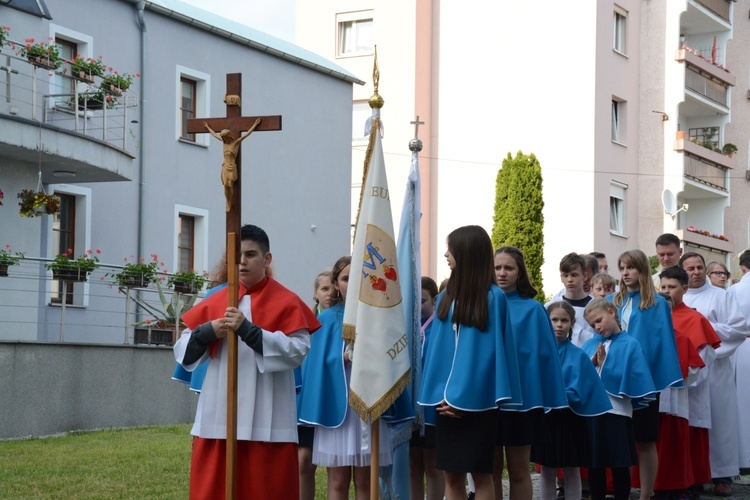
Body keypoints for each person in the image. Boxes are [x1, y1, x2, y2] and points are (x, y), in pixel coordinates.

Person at [173, 224, 321, 499]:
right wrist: (207, 332)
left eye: (251, 254)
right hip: (219, 416)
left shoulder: (287, 301)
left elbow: (297, 351)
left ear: (267, 259)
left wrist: (249, 331)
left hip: (269, 417)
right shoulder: (216, 298)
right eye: (237, 255)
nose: (242, 261)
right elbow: (183, 351)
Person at [418, 225, 521, 500]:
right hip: (445, 404)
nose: (446, 254)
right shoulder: (446, 296)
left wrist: (462, 397)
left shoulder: (492, 297)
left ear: (466, 252)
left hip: (478, 403)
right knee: (451, 475)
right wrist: (442, 395)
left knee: (480, 475)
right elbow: (439, 355)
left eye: (450, 248)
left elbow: (487, 356)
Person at [297, 256, 392, 500]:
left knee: (365, 481)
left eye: (357, 277)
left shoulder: (377, 315)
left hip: (366, 405)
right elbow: (317, 364)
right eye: (345, 278)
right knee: (338, 481)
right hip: (337, 410)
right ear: (337, 284)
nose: (351, 283)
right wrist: (345, 358)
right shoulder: (327, 319)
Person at [492, 246, 568, 500]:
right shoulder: (483, 303)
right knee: (488, 471)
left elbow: (546, 357)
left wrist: (550, 397)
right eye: (497, 268)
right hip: (488, 400)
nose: (502, 273)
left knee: (518, 470)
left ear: (520, 272)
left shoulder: (534, 309)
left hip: (522, 402)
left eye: (509, 268)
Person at [611, 249, 683, 500]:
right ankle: (621, 490)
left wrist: (652, 377)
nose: (625, 273)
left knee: (645, 439)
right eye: (622, 268)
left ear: (642, 270)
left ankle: (646, 493)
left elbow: (661, 342)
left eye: (630, 268)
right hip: (615, 379)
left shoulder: (658, 304)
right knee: (619, 439)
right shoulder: (614, 300)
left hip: (644, 381)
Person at [680, 251, 746, 497]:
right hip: (689, 372)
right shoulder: (678, 297)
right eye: (690, 268)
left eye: (699, 267)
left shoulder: (721, 296)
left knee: (720, 422)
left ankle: (722, 475)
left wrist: (704, 328)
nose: (695, 272)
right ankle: (694, 475)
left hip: (716, 369)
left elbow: (739, 329)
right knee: (693, 423)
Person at [533, 301, 611, 500]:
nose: (559, 324)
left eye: (564, 320)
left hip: (571, 418)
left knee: (571, 468)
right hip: (546, 418)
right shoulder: (537, 354)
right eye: (554, 320)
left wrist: (559, 394)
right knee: (548, 469)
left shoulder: (579, 355)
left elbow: (586, 389)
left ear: (572, 324)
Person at [581, 298, 656, 500]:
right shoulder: (590, 344)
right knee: (595, 463)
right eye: (592, 325)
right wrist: (593, 362)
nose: (597, 327)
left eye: (599, 320)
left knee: (619, 462)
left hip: (617, 412)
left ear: (611, 312)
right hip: (593, 413)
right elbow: (582, 376)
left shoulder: (630, 344)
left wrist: (606, 365)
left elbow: (632, 377)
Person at [659, 267, 720, 497]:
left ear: (684, 289)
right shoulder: (655, 316)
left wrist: (682, 383)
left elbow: (705, 358)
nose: (666, 292)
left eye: (671, 287)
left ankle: (693, 483)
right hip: (666, 394)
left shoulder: (696, 319)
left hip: (689, 390)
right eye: (663, 287)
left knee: (691, 438)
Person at [297, 269, 334, 500]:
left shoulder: (344, 322)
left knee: (335, 465)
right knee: (304, 462)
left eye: (332, 288)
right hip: (307, 401)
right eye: (324, 289)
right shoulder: (304, 322)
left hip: (331, 401)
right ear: (315, 293)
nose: (329, 294)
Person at [409, 276, 445, 500]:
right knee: (413, 466)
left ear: (434, 300)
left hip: (432, 407)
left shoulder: (440, 330)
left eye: (422, 300)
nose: (417, 306)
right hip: (410, 405)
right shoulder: (407, 329)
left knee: (433, 466)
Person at [204, 118, 262, 211]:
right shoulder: (224, 143)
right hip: (225, 166)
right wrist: (207, 127)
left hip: (232, 167)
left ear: (229, 136)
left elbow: (246, 134)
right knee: (226, 185)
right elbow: (214, 135)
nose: (224, 139)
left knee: (230, 185)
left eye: (225, 137)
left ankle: (229, 201)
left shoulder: (235, 143)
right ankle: (228, 201)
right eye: (223, 138)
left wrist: (255, 124)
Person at [729, 250, 750, 481]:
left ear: (743, 267)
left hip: (742, 345)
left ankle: (744, 458)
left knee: (742, 402)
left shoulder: (734, 290)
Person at [545, 253, 595, 347]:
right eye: (565, 275)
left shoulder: (596, 306)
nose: (570, 279)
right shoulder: (551, 306)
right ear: (561, 278)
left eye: (574, 275)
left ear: (584, 276)